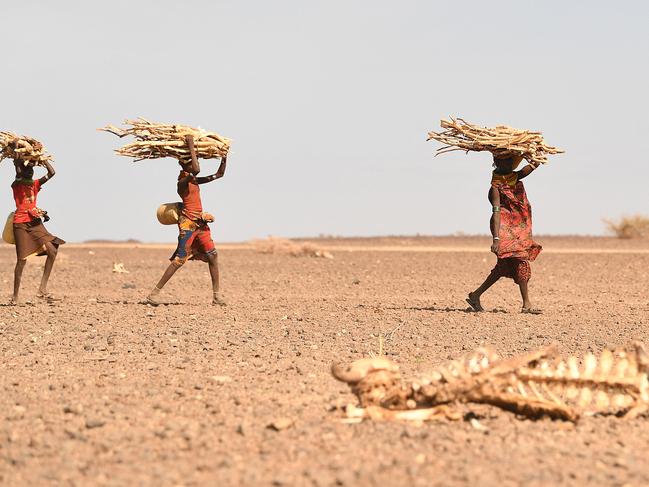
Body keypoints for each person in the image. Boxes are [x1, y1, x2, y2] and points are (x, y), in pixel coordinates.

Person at [146, 135, 227, 306]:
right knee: (179, 261)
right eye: (191, 161)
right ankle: (154, 294)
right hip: (188, 225)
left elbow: (219, 175)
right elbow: (196, 169)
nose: (195, 163)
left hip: (200, 224)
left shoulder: (194, 180)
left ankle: (217, 296)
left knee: (213, 255)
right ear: (184, 164)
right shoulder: (183, 182)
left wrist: (224, 156)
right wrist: (191, 144)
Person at [466, 153, 542, 314]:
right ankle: (527, 304)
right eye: (500, 160)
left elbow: (528, 169)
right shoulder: (495, 187)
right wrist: (496, 238)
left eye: (508, 161)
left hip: (520, 229)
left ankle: (475, 295)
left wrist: (536, 156)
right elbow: (496, 213)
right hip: (506, 231)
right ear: (495, 162)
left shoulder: (513, 177)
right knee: (521, 262)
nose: (504, 164)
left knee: (502, 267)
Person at [10, 160, 65, 304]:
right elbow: (17, 167)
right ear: (20, 172)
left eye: (31, 170)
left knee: (52, 250)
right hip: (20, 223)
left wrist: (43, 160)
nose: (29, 171)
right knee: (22, 260)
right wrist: (16, 149)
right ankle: (15, 297)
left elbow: (52, 173)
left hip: (34, 222)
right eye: (26, 170)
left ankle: (42, 289)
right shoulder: (18, 183)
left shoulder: (35, 184)